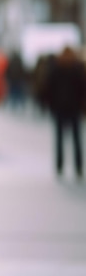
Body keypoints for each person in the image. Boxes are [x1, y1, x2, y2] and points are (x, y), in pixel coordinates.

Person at [43, 46, 86, 179]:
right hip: (65, 108)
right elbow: (49, 88)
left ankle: (71, 166)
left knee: (71, 139)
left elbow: (82, 90)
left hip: (68, 108)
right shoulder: (68, 69)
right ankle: (66, 166)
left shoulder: (71, 69)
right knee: (66, 139)